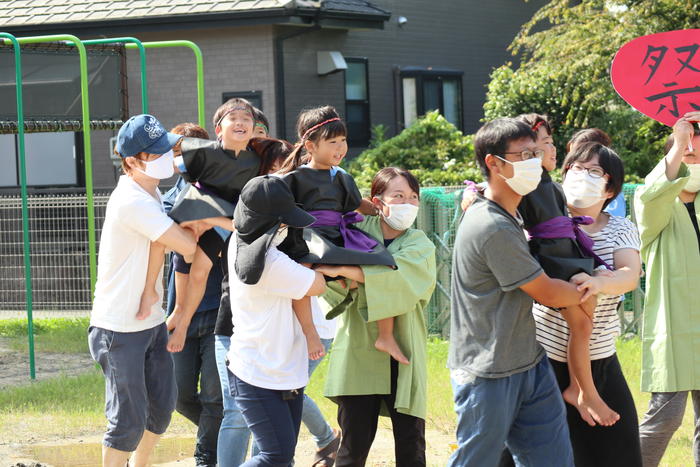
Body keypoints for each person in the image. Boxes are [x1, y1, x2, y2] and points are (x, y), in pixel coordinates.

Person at [448, 117, 596, 467]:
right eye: (523, 154)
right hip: (487, 372)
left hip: (528, 361)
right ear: (494, 163)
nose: (534, 161)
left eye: (535, 151)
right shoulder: (492, 225)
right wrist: (595, 286)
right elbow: (547, 292)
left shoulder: (511, 215)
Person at [88, 114, 204, 467]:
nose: (168, 156)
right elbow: (184, 245)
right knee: (127, 420)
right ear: (131, 162)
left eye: (167, 148)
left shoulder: (152, 193)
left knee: (162, 408)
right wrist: (196, 227)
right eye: (157, 154)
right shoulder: (132, 202)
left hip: (150, 321)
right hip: (119, 326)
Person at [531, 142, 643, 466]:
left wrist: (599, 282)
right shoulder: (545, 219)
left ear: (611, 189)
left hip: (600, 359)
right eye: (577, 168)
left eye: (596, 172)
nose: (584, 176)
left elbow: (629, 274)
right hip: (544, 359)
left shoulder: (620, 228)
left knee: (619, 451)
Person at [319, 167, 436, 466]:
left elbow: (404, 283)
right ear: (377, 201)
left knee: (411, 447)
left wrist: (347, 270)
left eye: (413, 197)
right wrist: (349, 277)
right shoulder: (354, 232)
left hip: (404, 350)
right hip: (359, 349)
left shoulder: (420, 243)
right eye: (398, 196)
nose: (407, 204)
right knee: (352, 447)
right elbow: (331, 286)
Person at [514, 113, 619, 426]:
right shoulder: (526, 180)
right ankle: (585, 392)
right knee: (582, 324)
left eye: (551, 141)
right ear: (526, 151)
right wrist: (472, 195)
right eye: (546, 142)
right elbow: (491, 192)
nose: (553, 148)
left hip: (567, 253)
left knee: (587, 312)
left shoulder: (549, 183)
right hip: (552, 259)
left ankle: (578, 387)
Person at [278, 105, 401, 364]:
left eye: (343, 140)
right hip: (308, 235)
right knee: (302, 274)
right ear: (310, 146)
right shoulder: (294, 177)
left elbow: (360, 204)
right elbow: (277, 204)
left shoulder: (342, 177)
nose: (340, 147)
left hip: (339, 234)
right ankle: (310, 333)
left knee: (384, 263)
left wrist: (380, 208)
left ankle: (386, 333)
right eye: (332, 141)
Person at [227, 174, 327, 466]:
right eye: (282, 221)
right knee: (276, 457)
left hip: (278, 366)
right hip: (259, 373)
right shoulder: (271, 263)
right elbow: (317, 284)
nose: (286, 227)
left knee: (281, 456)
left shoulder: (239, 240)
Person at [213, 136, 292, 466]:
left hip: (273, 345)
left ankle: (326, 437)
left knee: (273, 444)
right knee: (243, 421)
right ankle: (327, 438)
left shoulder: (281, 232)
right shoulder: (252, 241)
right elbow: (313, 284)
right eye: (278, 168)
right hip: (237, 336)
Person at [635, 112, 700, 467]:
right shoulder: (656, 202)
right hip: (673, 326)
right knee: (664, 419)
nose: (690, 155)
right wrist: (679, 143)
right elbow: (650, 199)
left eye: (695, 151)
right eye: (683, 153)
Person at [161, 122, 224, 467]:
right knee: (179, 395)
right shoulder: (166, 199)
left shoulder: (225, 195)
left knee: (214, 398)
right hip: (180, 311)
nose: (187, 158)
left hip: (219, 310)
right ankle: (230, 435)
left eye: (197, 151)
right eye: (180, 152)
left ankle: (207, 459)